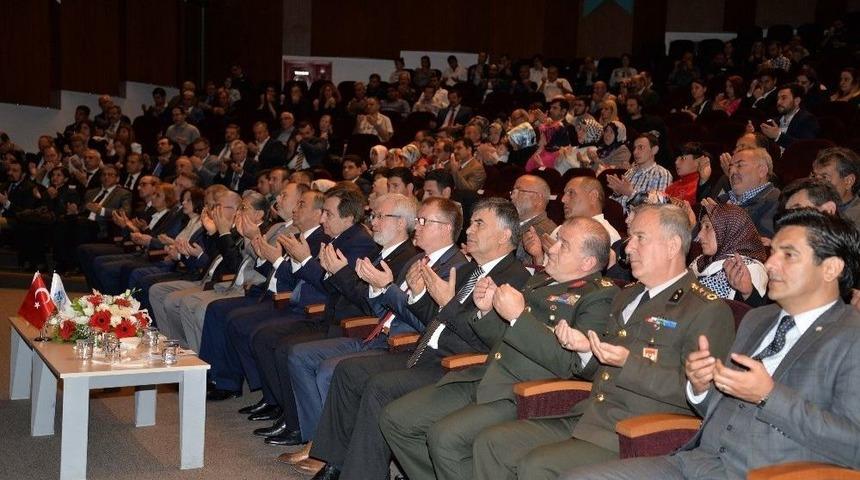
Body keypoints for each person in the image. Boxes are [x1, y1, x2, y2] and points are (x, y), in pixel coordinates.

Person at [562, 209, 860, 480]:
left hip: (768, 471)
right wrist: (701, 386)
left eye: (788, 255)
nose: (770, 264)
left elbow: (853, 444)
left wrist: (769, 396)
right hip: (696, 461)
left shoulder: (850, 336)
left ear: (831, 268)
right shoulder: (759, 319)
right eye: (773, 252)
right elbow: (714, 407)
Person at [472, 203, 735, 479]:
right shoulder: (627, 296)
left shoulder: (706, 309)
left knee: (536, 465)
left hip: (636, 433)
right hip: (588, 415)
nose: (628, 248)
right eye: (630, 237)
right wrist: (586, 350)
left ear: (672, 246)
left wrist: (627, 362)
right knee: (492, 444)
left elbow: (699, 397)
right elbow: (594, 369)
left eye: (640, 238)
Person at [304, 198, 529, 480]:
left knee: (379, 387)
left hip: (455, 365)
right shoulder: (473, 270)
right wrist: (421, 295)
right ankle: (336, 464)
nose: (469, 230)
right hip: (426, 351)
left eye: (479, 223)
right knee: (349, 371)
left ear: (505, 235)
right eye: (471, 222)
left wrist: (446, 303)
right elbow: (436, 318)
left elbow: (486, 338)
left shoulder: (513, 277)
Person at [382, 217, 619, 480]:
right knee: (396, 419)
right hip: (486, 375)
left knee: (445, 437)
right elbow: (505, 337)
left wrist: (518, 316)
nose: (551, 248)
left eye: (563, 245)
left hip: (524, 391)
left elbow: (572, 364)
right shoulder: (541, 280)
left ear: (587, 263)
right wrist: (486, 313)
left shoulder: (599, 296)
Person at [691, 203, 769, 304]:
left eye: (707, 226)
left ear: (728, 228)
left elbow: (752, 315)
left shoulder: (748, 270)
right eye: (701, 227)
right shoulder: (703, 260)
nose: (700, 235)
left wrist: (748, 293)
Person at [718, 147, 781, 238]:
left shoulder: (776, 203)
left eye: (739, 165)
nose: (732, 171)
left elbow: (759, 246)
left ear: (762, 171)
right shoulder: (721, 200)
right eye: (730, 167)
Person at [607, 134, 673, 212]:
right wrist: (618, 192)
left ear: (654, 150)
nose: (635, 152)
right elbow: (618, 199)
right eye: (634, 148)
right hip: (616, 215)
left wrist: (631, 193)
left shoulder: (662, 174)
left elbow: (659, 205)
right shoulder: (630, 171)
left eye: (640, 147)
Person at [758, 83, 820, 151]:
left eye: (783, 98)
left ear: (797, 101)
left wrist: (778, 136)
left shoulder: (808, 119)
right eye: (778, 98)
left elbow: (805, 147)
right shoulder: (774, 121)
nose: (779, 102)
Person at [810, 147, 860, 225]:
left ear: (848, 181)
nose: (815, 183)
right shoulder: (809, 204)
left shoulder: (856, 221)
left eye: (824, 177)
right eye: (814, 176)